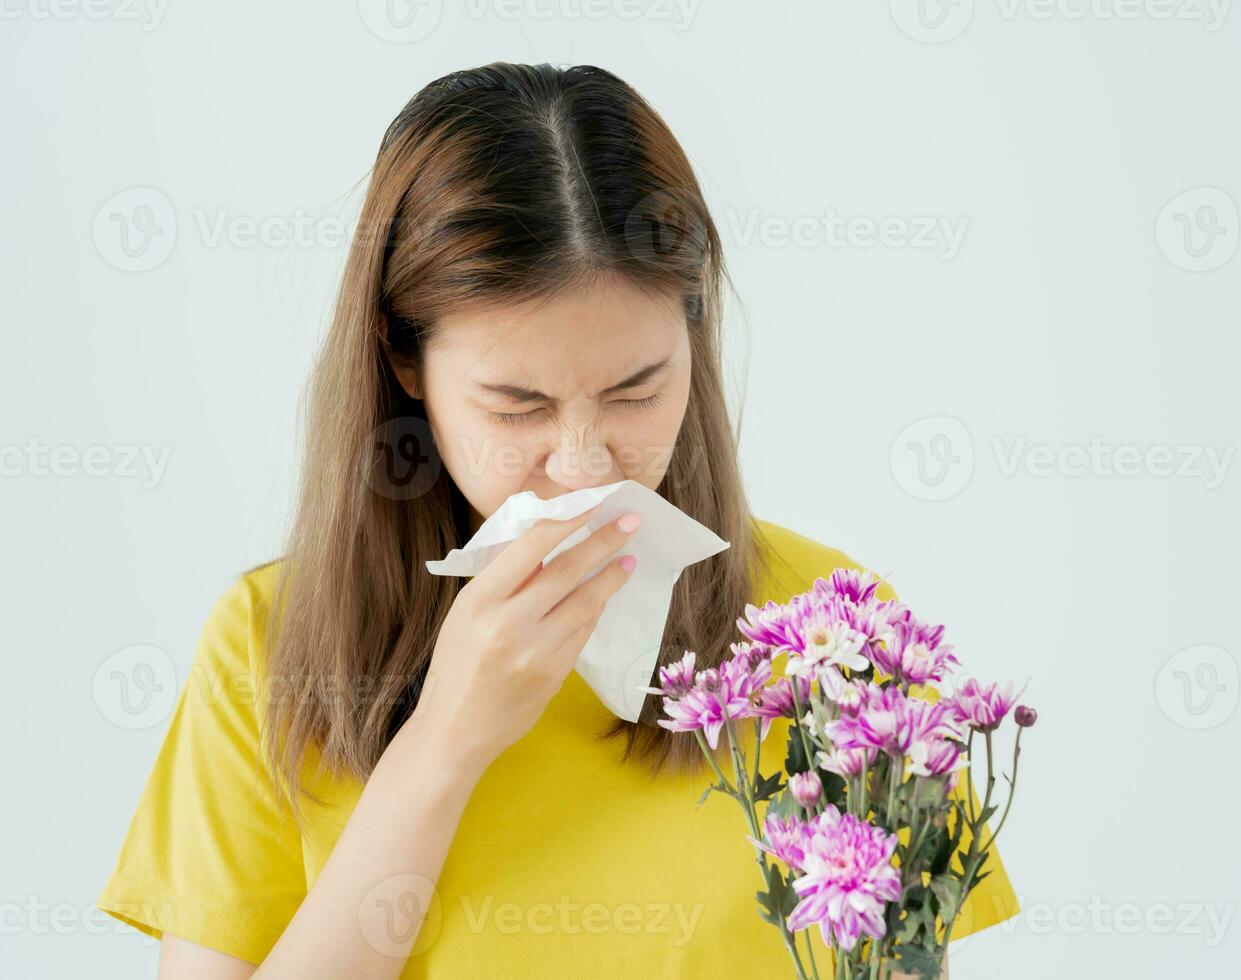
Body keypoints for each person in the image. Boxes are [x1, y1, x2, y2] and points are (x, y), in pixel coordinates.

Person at [96, 62, 1019, 979]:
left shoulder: (833, 637)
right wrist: (444, 741)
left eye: (636, 390)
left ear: (692, 334)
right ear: (402, 358)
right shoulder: (267, 648)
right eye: (516, 405)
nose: (582, 464)